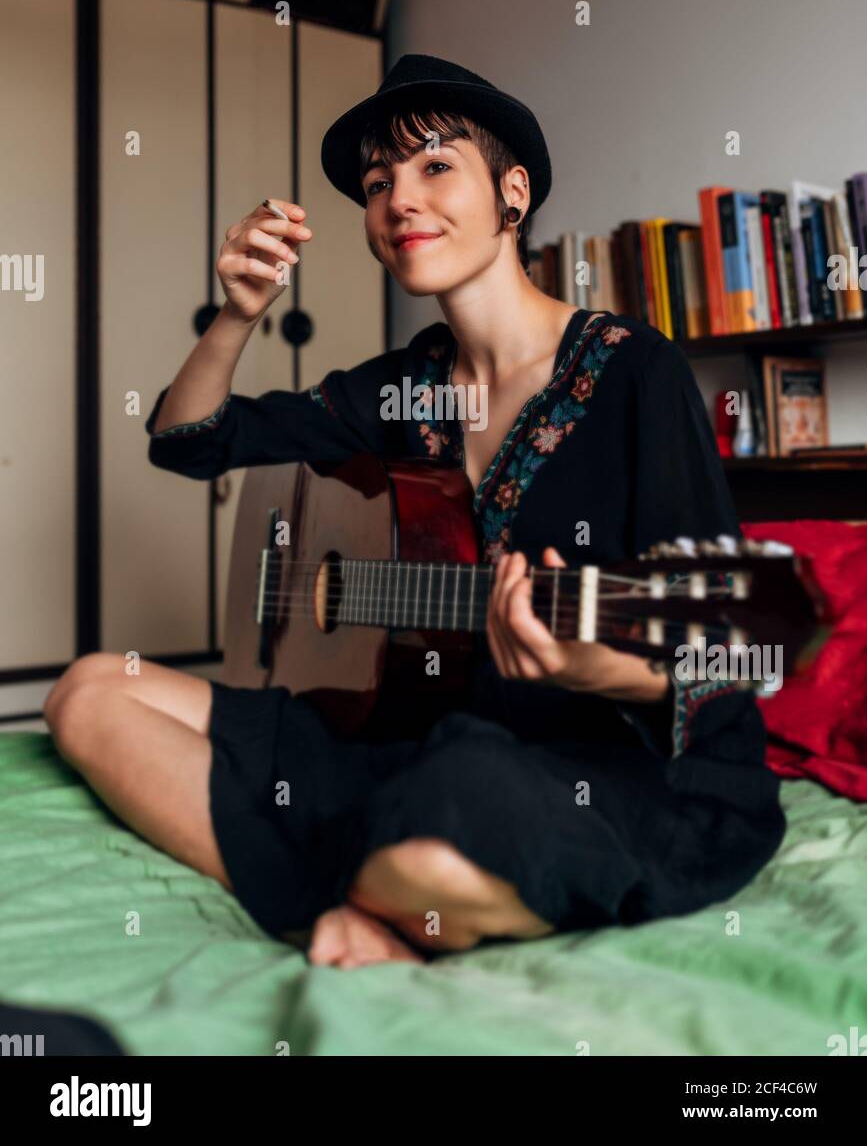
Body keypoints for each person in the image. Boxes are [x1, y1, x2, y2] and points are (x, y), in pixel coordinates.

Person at [44, 55, 785, 969]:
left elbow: (732, 642)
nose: (398, 198)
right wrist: (237, 315)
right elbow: (187, 439)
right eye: (376, 182)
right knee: (86, 692)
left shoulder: (635, 368)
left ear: (511, 193)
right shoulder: (399, 386)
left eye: (435, 166)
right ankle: (377, 897)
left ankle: (364, 886)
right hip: (410, 736)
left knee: (453, 811)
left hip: (598, 766)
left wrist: (599, 670)